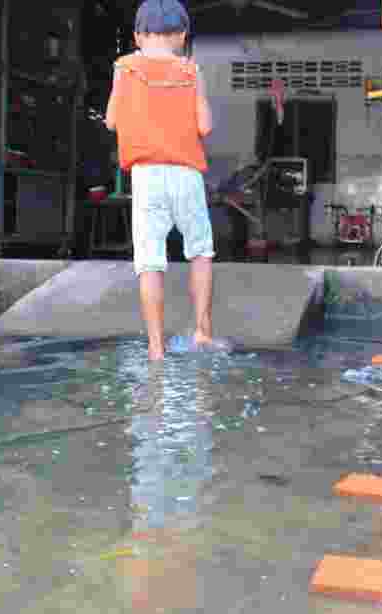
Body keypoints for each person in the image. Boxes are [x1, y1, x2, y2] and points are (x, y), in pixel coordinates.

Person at [104, 0, 216, 361]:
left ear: (137, 35)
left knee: (150, 261)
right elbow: (205, 127)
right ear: (182, 35)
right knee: (200, 252)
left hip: (146, 176)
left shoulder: (124, 67)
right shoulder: (190, 70)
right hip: (186, 174)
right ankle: (202, 331)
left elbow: (110, 121)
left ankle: (156, 347)